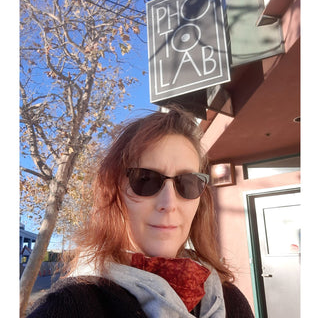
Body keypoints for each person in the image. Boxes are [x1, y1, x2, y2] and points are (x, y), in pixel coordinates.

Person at [27, 106, 254, 318]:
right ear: (112, 192)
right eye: (145, 179)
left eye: (188, 183)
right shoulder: (72, 306)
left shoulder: (228, 299)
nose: (169, 202)